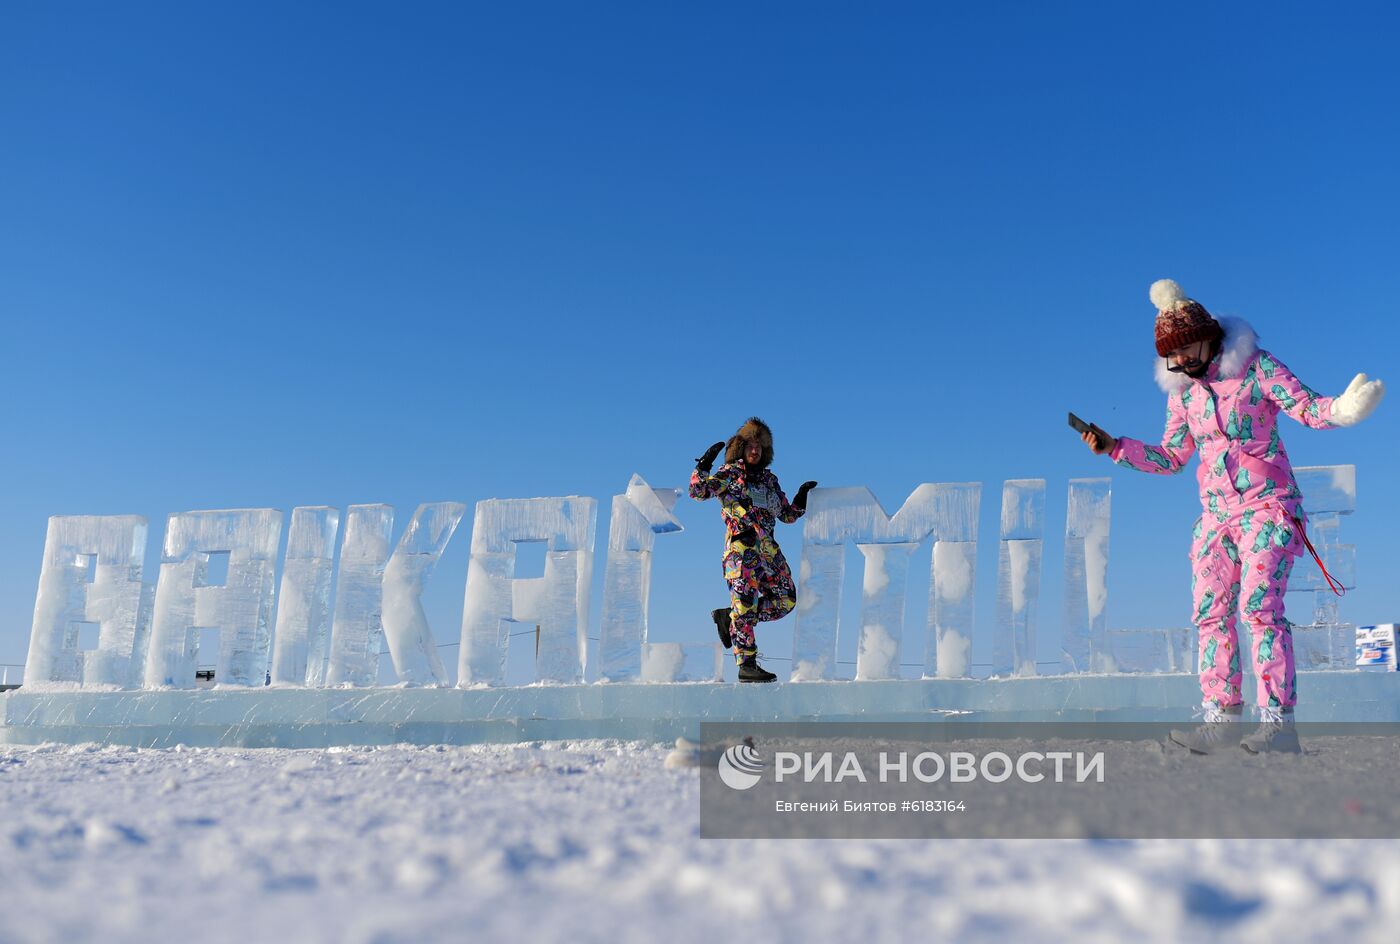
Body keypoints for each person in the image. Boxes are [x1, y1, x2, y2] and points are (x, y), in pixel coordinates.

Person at [1082, 279, 1384, 753]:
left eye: (1186, 349)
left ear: (1210, 336)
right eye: (1172, 355)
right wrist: (1115, 447)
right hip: (1215, 518)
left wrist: (1343, 410)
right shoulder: (1182, 396)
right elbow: (1172, 456)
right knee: (1209, 613)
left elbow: (1305, 406)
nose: (1181, 361)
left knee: (1260, 609)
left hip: (1269, 507)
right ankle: (1221, 719)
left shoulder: (1257, 368)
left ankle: (1278, 726)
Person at [690, 418, 816, 683]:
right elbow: (698, 491)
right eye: (750, 445)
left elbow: (787, 515)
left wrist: (802, 497)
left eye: (760, 446)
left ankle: (731, 616)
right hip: (742, 550)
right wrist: (704, 465)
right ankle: (746, 663)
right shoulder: (730, 474)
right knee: (745, 605)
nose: (755, 450)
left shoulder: (770, 481)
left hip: (769, 554)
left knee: (786, 600)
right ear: (741, 447)